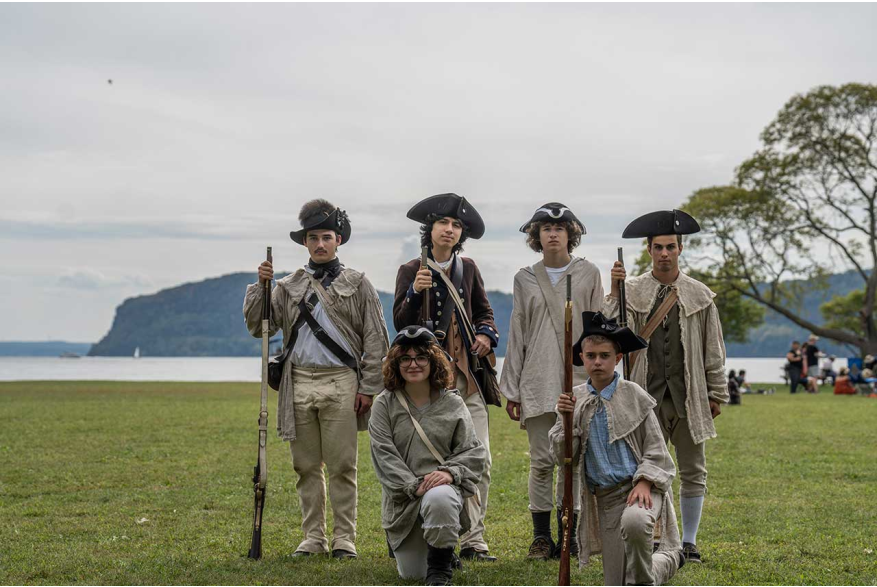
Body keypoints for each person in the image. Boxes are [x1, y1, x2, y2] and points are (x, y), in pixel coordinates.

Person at [243, 199, 389, 559]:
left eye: (326, 237)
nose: (320, 244)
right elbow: (258, 325)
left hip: (342, 380)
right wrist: (261, 286)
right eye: (313, 238)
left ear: (338, 239)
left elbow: (376, 339)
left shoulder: (359, 284)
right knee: (305, 466)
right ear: (304, 243)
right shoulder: (288, 285)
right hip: (299, 381)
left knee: (343, 465)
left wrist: (369, 388)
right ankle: (313, 538)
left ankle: (344, 538)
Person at [604, 209, 728, 564]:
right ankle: (656, 538)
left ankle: (688, 542)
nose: (664, 253)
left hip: (688, 398)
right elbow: (611, 333)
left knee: (693, 470)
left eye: (670, 247)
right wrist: (615, 292)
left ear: (680, 249)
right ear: (648, 250)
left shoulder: (700, 295)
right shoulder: (632, 291)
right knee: (646, 471)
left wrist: (716, 392)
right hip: (645, 397)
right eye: (658, 247)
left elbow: (713, 348)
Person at [393, 193, 500, 562]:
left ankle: (474, 539)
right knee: (429, 463)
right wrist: (413, 292)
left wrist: (486, 335)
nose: (450, 230)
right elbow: (400, 325)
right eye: (444, 223)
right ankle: (429, 537)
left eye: (456, 226)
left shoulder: (467, 270)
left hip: (467, 380)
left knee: (480, 458)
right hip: (431, 386)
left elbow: (484, 312)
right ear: (431, 229)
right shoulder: (411, 269)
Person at [500, 203, 604, 560]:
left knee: (572, 460)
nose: (553, 233)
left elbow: (598, 330)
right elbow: (518, 334)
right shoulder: (524, 278)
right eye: (545, 228)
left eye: (560, 228)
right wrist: (511, 389)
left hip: (576, 381)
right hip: (536, 379)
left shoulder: (588, 273)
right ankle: (542, 537)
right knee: (541, 460)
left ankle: (570, 534)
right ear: (537, 236)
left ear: (571, 234)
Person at [550, 311, 684, 586]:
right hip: (606, 498)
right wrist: (568, 421)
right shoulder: (573, 399)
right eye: (590, 356)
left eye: (604, 355)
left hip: (639, 488)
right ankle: (663, 566)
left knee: (635, 524)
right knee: (619, 581)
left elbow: (657, 451)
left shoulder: (633, 395)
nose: (597, 362)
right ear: (582, 358)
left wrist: (645, 482)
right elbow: (565, 457)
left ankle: (663, 561)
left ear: (618, 358)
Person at [370, 326, 487, 586]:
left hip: (441, 491)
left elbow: (474, 452)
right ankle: (428, 545)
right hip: (404, 500)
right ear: (396, 363)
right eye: (405, 358)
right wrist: (413, 486)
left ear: (433, 361)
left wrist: (448, 472)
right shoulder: (383, 404)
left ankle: (441, 567)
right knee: (411, 574)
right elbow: (383, 455)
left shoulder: (453, 403)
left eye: (421, 357)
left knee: (440, 496)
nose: (413, 364)